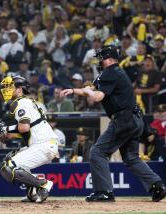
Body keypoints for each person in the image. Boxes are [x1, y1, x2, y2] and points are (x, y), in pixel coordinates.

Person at [60, 45, 166, 202]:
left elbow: (96, 96)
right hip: (135, 120)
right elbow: (91, 88)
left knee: (97, 152)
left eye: (101, 59)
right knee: (131, 157)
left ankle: (104, 191)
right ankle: (157, 185)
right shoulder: (115, 72)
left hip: (123, 120)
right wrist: (75, 90)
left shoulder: (110, 72)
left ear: (108, 60)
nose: (99, 62)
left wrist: (89, 92)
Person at [0, 75, 58, 203]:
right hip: (42, 144)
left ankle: (43, 184)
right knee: (6, 163)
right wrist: (10, 134)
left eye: (11, 87)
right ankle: (32, 192)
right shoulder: (26, 101)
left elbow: (24, 127)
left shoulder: (20, 102)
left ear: (19, 89)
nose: (7, 89)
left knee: (9, 166)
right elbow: (27, 129)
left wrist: (4, 129)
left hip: (43, 145)